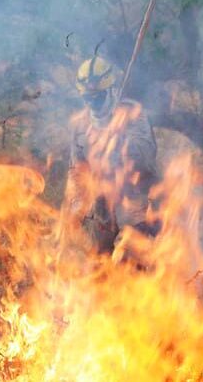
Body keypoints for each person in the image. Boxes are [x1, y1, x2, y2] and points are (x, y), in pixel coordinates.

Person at [65, 56, 159, 254]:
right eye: (88, 99)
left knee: (130, 258)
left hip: (135, 201)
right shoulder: (80, 124)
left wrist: (120, 143)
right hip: (101, 206)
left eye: (98, 98)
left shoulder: (132, 114)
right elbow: (77, 172)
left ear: (112, 90)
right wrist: (75, 209)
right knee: (99, 261)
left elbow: (147, 156)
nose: (93, 104)